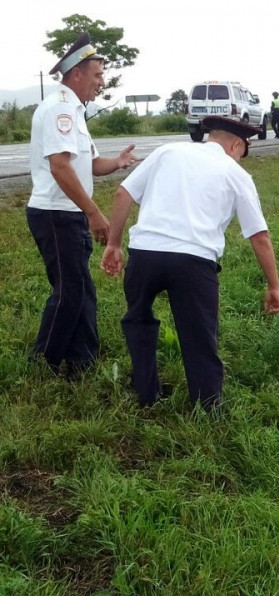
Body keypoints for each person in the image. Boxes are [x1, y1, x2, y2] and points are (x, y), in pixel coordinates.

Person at [100, 116, 279, 411]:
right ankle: (207, 408)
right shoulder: (235, 174)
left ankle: (146, 395)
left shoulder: (167, 151)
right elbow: (259, 236)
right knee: (199, 336)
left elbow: (123, 193)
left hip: (145, 253)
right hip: (193, 262)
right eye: (242, 153)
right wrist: (273, 286)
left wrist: (114, 244)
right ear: (237, 145)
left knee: (138, 320)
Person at [27, 31, 138, 377]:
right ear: (76, 73)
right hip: (56, 213)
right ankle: (44, 363)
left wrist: (117, 163)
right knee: (71, 292)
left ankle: (83, 360)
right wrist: (94, 212)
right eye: (97, 75)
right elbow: (59, 165)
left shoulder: (74, 110)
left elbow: (88, 163)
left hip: (68, 212)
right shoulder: (60, 106)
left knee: (82, 290)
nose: (101, 82)